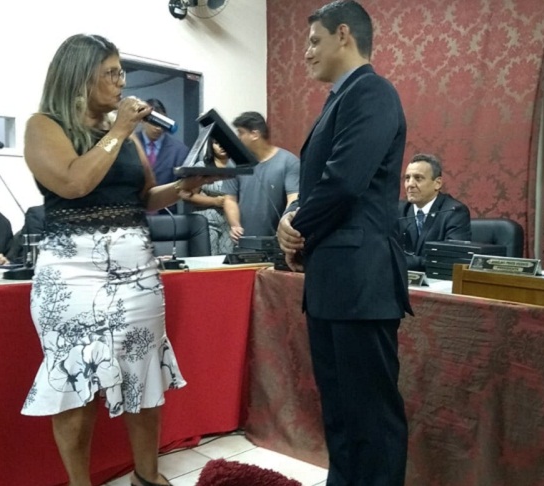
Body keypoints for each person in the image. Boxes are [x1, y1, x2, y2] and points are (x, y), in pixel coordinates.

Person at [20, 34, 217, 486]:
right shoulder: (43, 126)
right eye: (111, 72)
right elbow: (73, 183)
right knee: (75, 381)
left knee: (144, 374)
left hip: (136, 273)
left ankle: (146, 476)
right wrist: (119, 130)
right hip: (72, 275)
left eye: (121, 71)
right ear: (79, 76)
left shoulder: (123, 135)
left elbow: (144, 198)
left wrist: (184, 187)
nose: (121, 81)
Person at [276, 2, 411, 485]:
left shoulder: (373, 92)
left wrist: (297, 227)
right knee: (340, 414)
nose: (306, 53)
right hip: (334, 280)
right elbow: (321, 186)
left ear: (344, 35)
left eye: (314, 41)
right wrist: (292, 219)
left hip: (361, 281)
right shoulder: (339, 98)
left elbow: (344, 181)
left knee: (371, 418)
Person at [223, 111, 299, 242]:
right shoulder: (234, 163)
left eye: (241, 133)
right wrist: (235, 225)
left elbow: (293, 198)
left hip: (277, 242)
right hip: (244, 241)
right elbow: (230, 199)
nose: (238, 138)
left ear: (255, 134)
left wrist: (284, 226)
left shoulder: (289, 162)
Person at [397, 153, 471, 271]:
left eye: (418, 178)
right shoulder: (399, 210)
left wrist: (402, 262)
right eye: (407, 178)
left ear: (438, 183)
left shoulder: (454, 212)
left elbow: (452, 259)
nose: (410, 184)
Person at [135, 98, 189, 213]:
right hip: (133, 212)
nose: (158, 128)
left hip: (166, 215)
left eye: (162, 122)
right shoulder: (128, 144)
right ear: (143, 120)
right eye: (154, 122)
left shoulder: (179, 150)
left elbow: (185, 188)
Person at [182, 138, 235, 254]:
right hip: (206, 222)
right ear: (211, 145)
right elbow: (187, 195)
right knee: (209, 258)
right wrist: (215, 201)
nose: (221, 146)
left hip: (230, 223)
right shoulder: (202, 166)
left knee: (228, 260)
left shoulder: (238, 167)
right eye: (216, 143)